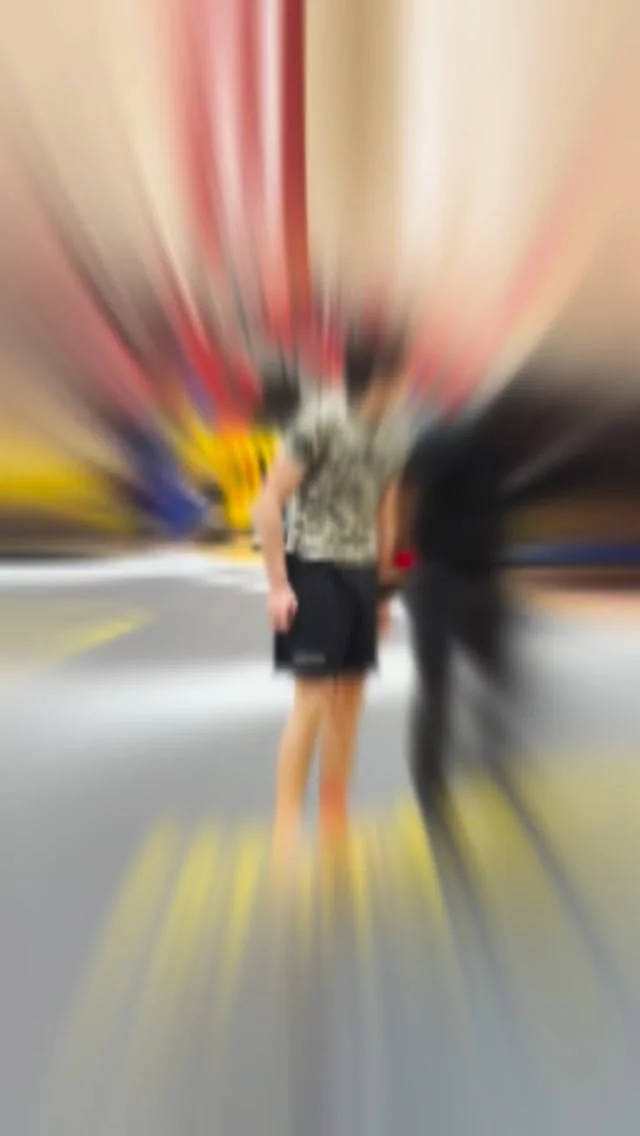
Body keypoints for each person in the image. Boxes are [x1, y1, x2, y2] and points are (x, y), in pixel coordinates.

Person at [253, 333, 408, 857]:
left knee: (350, 702)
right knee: (314, 700)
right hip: (314, 568)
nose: (405, 388)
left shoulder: (394, 435)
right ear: (380, 380)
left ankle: (334, 814)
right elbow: (268, 502)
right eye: (399, 379)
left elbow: (386, 514)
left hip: (360, 574)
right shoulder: (318, 420)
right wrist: (278, 585)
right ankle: (286, 826)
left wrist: (383, 593)